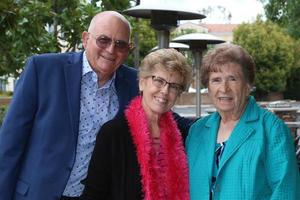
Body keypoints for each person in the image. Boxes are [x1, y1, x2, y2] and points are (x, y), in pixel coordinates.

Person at [0, 11, 138, 200]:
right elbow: (9, 145)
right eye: (103, 40)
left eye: (120, 44)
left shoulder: (135, 83)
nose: (111, 50)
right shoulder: (42, 70)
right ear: (85, 38)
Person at [186, 43, 300, 199]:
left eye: (232, 79)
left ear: (248, 85)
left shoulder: (272, 130)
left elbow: (286, 192)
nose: (224, 88)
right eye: (216, 80)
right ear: (208, 87)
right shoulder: (197, 131)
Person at [81, 48, 192, 200]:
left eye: (174, 86)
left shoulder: (184, 134)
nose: (165, 91)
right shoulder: (113, 134)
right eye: (159, 80)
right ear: (141, 83)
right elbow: (93, 195)